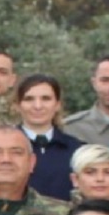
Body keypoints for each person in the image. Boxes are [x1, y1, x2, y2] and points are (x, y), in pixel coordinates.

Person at [16, 73, 82, 202]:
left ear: (58, 104)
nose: (38, 106)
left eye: (46, 98)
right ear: (17, 105)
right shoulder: (2, 148)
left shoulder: (77, 150)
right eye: (29, 99)